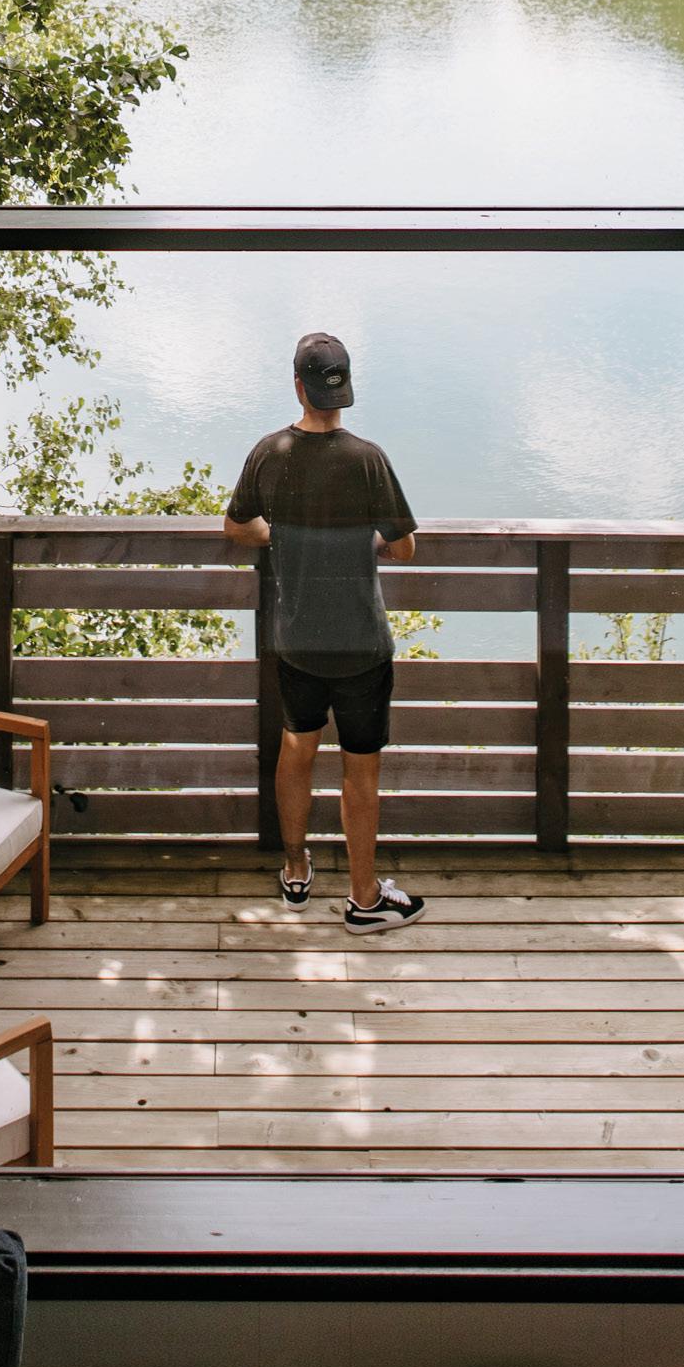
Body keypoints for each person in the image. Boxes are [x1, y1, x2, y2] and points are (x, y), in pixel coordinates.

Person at [223, 331, 425, 929]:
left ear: (298, 387)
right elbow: (405, 547)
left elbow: (237, 527)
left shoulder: (271, 453)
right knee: (360, 770)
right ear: (346, 387)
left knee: (297, 750)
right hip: (361, 644)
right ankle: (364, 898)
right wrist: (368, 542)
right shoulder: (367, 458)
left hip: (297, 640)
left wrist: (277, 535)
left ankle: (295, 871)